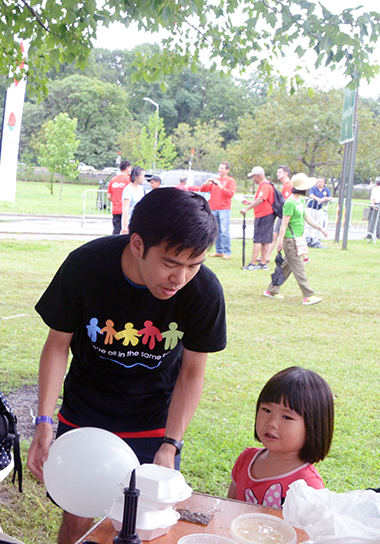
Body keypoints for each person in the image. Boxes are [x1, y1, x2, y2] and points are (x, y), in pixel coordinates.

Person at [27, 188, 226, 544]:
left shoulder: (203, 291)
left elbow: (193, 371)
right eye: (169, 263)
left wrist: (171, 445)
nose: (179, 279)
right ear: (137, 244)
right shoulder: (85, 266)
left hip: (154, 422)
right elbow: (58, 345)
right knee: (78, 517)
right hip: (86, 412)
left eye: (193, 265)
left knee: (144, 524)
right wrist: (44, 420)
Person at [228, 366, 334, 509]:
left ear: (313, 427)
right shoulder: (246, 460)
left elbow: (309, 530)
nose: (271, 422)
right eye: (266, 410)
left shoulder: (308, 485)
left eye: (286, 416)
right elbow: (228, 509)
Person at [263, 173, 327, 305]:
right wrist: (280, 242)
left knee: (287, 267)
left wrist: (321, 228)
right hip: (290, 240)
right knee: (299, 267)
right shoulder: (290, 203)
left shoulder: (301, 201)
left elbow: (307, 218)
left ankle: (271, 290)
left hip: (298, 239)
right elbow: (283, 224)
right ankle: (308, 295)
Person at [200, 162, 237, 260]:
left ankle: (227, 251)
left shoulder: (230, 181)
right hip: (214, 208)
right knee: (216, 230)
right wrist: (207, 182)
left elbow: (230, 193)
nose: (220, 170)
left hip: (224, 208)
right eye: (219, 168)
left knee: (224, 231)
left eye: (222, 168)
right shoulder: (214, 180)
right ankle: (219, 250)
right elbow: (202, 189)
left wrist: (221, 186)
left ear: (227, 170)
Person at [241, 166, 275, 271]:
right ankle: (263, 263)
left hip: (263, 215)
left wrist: (247, 208)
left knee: (258, 240)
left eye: (253, 177)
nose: (253, 179)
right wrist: (251, 203)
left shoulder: (264, 186)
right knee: (265, 240)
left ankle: (253, 263)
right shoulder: (267, 185)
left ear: (257, 176)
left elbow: (261, 199)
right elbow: (263, 201)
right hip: (268, 215)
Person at [107, 161, 132, 235]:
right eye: (130, 168)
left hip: (116, 209)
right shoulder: (129, 179)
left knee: (116, 231)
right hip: (126, 210)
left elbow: (109, 196)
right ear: (127, 168)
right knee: (128, 231)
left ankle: (114, 245)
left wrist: (115, 200)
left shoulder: (113, 179)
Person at [305, 177, 331, 247]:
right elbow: (311, 195)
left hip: (319, 209)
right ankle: (308, 237)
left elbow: (330, 197)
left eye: (321, 182)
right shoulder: (313, 189)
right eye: (318, 182)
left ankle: (317, 237)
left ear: (324, 183)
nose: (319, 183)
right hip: (311, 207)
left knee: (319, 222)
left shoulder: (326, 190)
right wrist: (318, 199)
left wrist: (326, 199)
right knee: (309, 222)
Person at [120, 165, 146, 235]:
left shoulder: (141, 189)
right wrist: (125, 226)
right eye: (143, 175)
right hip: (130, 221)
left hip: (138, 221)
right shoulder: (128, 189)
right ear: (137, 176)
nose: (144, 178)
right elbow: (126, 209)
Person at [272, 166, 293, 248]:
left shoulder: (288, 185)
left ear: (286, 173)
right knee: (275, 233)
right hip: (283, 213)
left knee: (277, 233)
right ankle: (266, 256)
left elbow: (286, 201)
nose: (277, 174)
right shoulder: (285, 185)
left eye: (280, 172)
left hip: (285, 213)